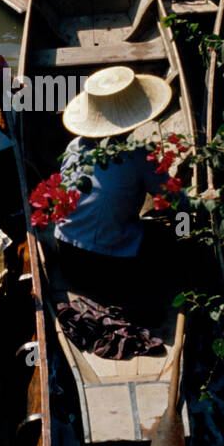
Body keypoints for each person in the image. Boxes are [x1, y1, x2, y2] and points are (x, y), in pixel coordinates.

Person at [53, 66, 185, 309]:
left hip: (66, 255)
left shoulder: (73, 146)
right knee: (178, 228)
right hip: (110, 266)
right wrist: (186, 224)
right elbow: (176, 200)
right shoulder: (139, 156)